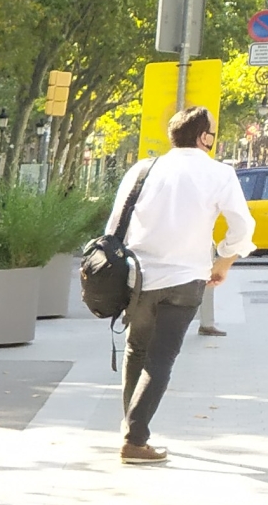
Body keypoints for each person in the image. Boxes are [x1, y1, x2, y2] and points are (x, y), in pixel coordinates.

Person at [103, 105, 252, 465]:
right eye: (212, 133)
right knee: (162, 357)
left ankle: (132, 430)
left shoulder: (143, 169)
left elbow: (113, 228)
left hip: (139, 277)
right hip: (187, 279)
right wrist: (224, 261)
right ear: (203, 137)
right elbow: (243, 228)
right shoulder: (219, 173)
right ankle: (135, 438)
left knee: (136, 351)